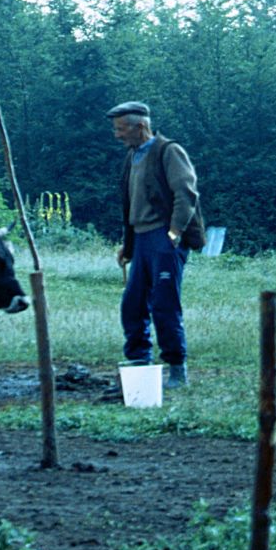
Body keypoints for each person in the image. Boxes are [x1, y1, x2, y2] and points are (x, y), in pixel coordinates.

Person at [108, 100, 206, 388]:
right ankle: (140, 365)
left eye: (121, 128)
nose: (117, 135)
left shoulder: (168, 151)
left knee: (164, 304)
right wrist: (128, 245)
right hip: (141, 239)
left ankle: (177, 369)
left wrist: (174, 235)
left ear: (141, 126)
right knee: (132, 304)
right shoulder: (132, 156)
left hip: (163, 237)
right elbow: (131, 205)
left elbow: (186, 194)